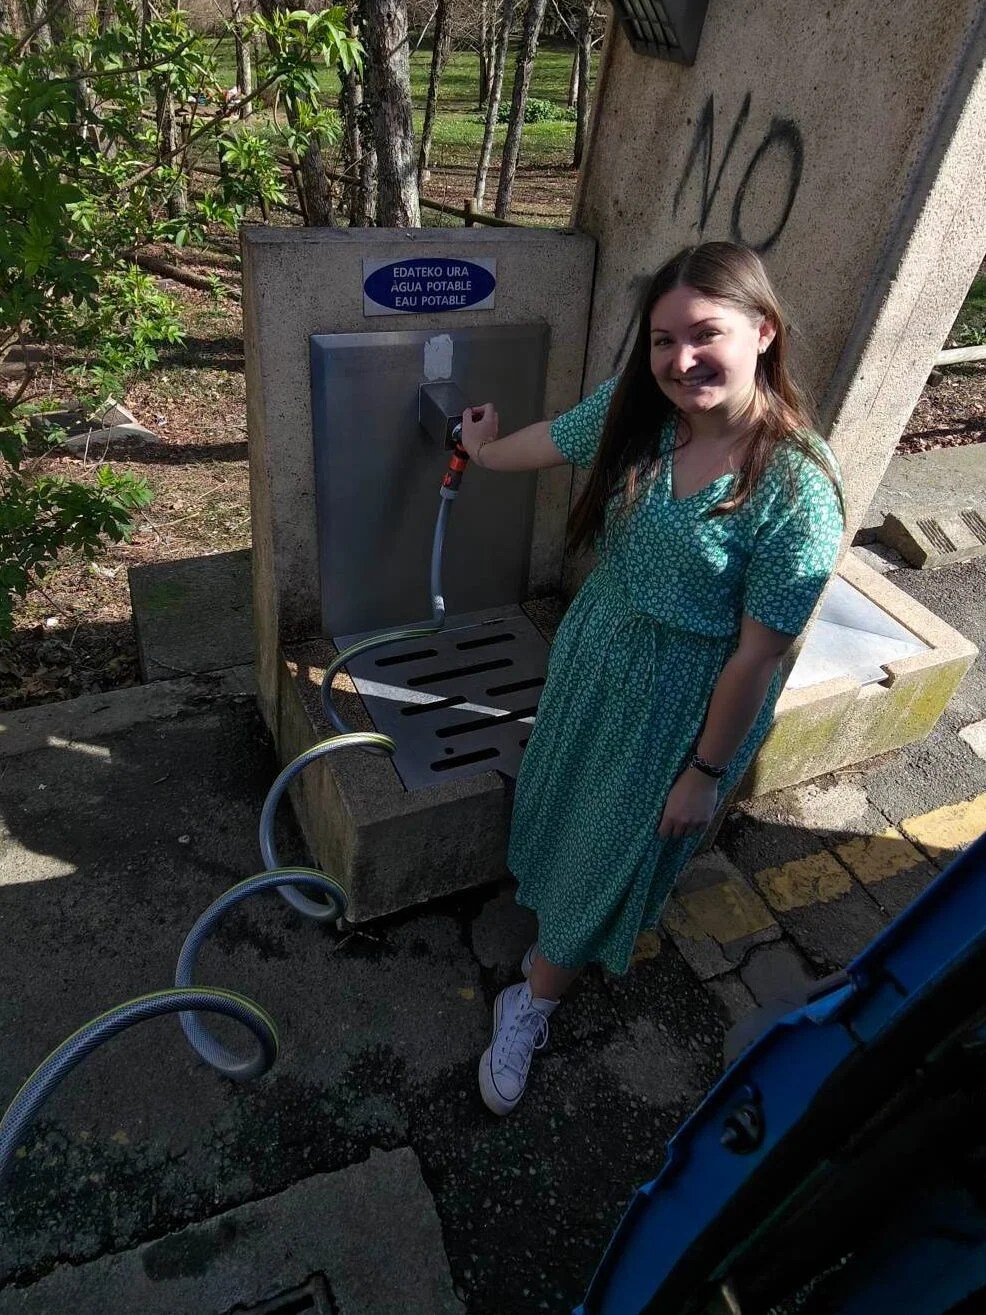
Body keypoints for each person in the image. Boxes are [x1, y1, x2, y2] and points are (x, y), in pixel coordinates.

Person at [459, 241, 845, 1117]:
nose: (681, 359)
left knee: (616, 843)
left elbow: (757, 654)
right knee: (571, 801)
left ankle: (535, 997)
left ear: (763, 331)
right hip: (601, 651)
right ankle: (554, 929)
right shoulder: (641, 416)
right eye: (663, 340)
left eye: (705, 334)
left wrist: (706, 773)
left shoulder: (797, 487)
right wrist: (480, 452)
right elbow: (549, 441)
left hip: (684, 701)